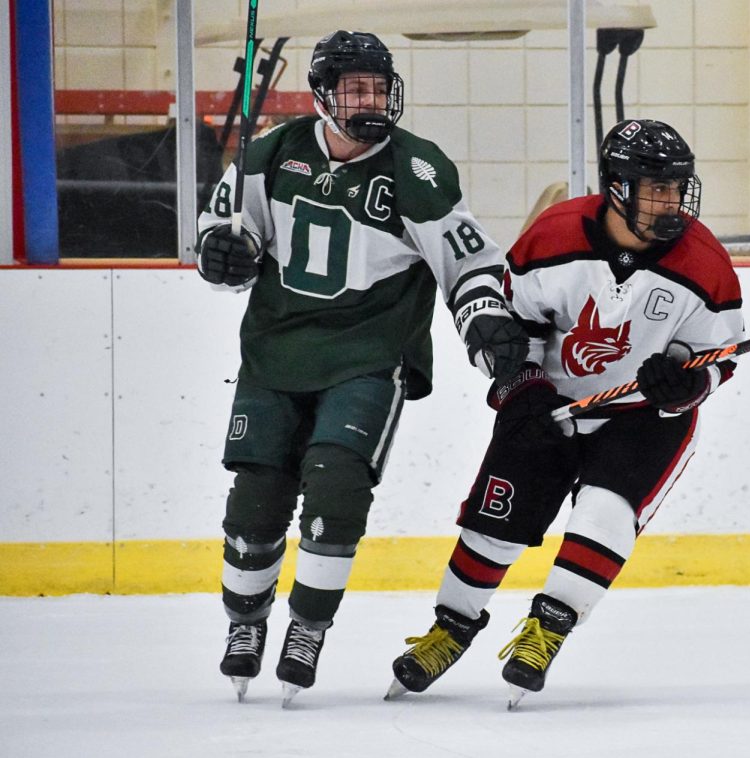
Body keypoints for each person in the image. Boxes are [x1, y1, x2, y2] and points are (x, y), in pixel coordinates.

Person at [196, 30, 527, 706]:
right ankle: (245, 625)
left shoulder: (417, 168)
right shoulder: (271, 153)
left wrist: (485, 318)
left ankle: (308, 629)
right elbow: (229, 234)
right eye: (353, 88)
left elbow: (468, 261)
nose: (369, 100)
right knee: (256, 499)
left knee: (337, 482)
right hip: (275, 352)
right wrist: (219, 252)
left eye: (378, 87)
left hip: (371, 356)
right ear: (322, 95)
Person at [386, 119, 745, 708]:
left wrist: (682, 383)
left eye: (677, 188)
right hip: (551, 405)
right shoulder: (553, 238)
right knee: (493, 524)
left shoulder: (704, 264)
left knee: (604, 512)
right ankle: (449, 630)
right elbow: (512, 332)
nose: (670, 202)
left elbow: (719, 361)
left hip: (643, 418)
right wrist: (523, 389)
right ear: (617, 188)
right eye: (654, 188)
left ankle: (546, 630)